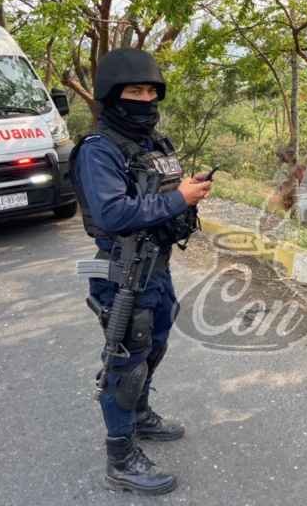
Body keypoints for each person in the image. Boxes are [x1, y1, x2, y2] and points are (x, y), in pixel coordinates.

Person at [70, 48, 212, 495]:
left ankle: (141, 415)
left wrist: (183, 194)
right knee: (125, 362)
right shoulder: (98, 151)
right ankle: (121, 456)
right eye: (136, 90)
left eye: (152, 91)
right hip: (124, 270)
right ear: (113, 96)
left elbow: (160, 189)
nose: (146, 99)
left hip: (157, 265)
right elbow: (111, 213)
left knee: (155, 346)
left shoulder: (151, 145)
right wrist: (179, 199)